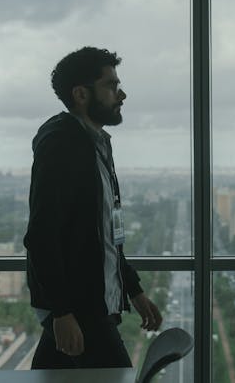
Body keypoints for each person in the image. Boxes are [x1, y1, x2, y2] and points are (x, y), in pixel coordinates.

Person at [24, 46, 163, 369]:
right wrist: (61, 312)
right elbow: (42, 235)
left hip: (92, 305)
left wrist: (133, 290)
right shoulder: (62, 144)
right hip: (80, 308)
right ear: (81, 94)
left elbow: (105, 234)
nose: (122, 94)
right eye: (112, 86)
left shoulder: (96, 143)